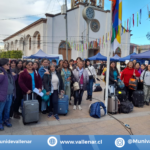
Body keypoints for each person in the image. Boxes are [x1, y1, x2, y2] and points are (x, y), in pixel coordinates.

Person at [0, 58, 17, 131]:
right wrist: (1, 76)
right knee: (1, 110)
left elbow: (13, 81)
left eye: (9, 64)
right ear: (3, 65)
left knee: (7, 109)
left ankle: (6, 120)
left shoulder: (9, 71)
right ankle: (0, 122)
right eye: (7, 64)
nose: (9, 65)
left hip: (10, 94)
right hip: (3, 94)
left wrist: (15, 75)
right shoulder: (1, 72)